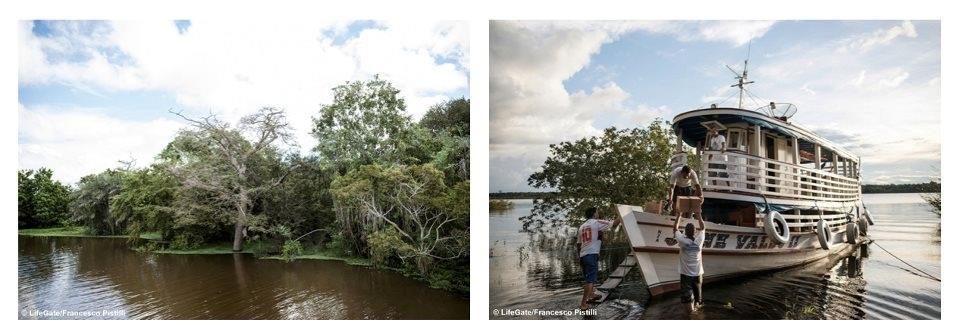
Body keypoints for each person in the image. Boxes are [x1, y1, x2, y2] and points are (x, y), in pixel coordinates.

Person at [576, 206, 621, 310]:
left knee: (588, 278)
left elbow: (578, 244)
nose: (598, 214)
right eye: (597, 212)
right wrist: (622, 215)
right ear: (594, 214)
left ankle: (591, 295)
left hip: (583, 255)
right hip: (591, 255)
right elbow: (614, 224)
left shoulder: (582, 226)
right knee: (590, 280)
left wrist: (579, 257)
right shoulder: (596, 222)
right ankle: (583, 304)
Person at [673, 212, 706, 313]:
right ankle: (697, 314)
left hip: (686, 275)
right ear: (695, 232)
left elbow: (675, 228)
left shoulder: (682, 240)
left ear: (685, 233)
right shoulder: (699, 241)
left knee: (687, 301)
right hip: (698, 274)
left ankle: (691, 315)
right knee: (698, 300)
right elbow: (703, 228)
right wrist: (699, 214)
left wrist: (679, 214)